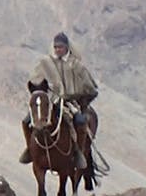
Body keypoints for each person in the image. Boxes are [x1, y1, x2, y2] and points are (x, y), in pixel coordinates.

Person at [18, 32, 100, 184]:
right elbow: (35, 81)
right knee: (26, 121)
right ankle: (30, 149)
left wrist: (81, 98)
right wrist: (40, 91)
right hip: (49, 101)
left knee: (80, 121)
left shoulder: (76, 65)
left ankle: (78, 152)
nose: (58, 50)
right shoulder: (45, 63)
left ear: (67, 47)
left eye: (60, 47)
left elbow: (91, 88)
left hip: (70, 102)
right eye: (55, 47)